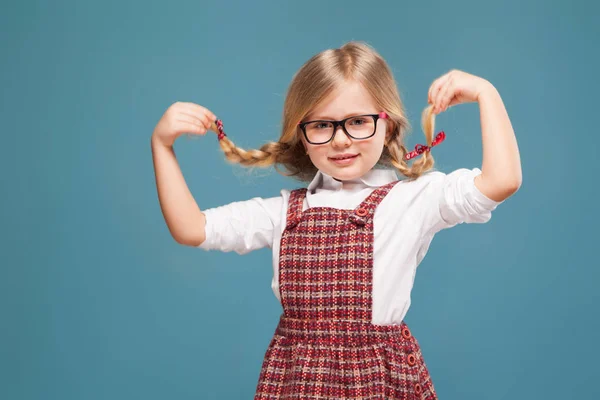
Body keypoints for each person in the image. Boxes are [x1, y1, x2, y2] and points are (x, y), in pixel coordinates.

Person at [151, 41, 522, 399]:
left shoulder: (413, 199)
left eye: (358, 121)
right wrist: (162, 146)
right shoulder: (284, 213)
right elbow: (191, 228)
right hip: (298, 384)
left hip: (380, 383)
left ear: (387, 125)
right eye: (322, 125)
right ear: (302, 134)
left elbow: (501, 181)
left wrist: (487, 94)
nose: (341, 140)